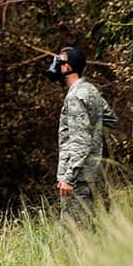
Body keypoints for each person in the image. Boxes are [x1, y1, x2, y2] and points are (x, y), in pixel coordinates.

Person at [50, 46, 116, 221]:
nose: (56, 66)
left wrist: (69, 178)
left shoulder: (75, 97)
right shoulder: (91, 91)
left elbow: (81, 141)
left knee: (75, 235)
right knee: (96, 232)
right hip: (95, 174)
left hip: (79, 180)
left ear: (68, 67)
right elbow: (111, 120)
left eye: (60, 62)